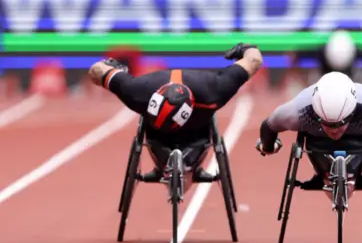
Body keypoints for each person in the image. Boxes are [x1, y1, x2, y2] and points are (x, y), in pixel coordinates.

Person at [87, 43, 263, 191]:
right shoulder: (137, 92)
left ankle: (189, 161)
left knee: (198, 132)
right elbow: (96, 70)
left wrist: (244, 48)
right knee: (157, 135)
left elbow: (253, 59)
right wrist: (110, 66)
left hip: (197, 126)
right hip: (156, 130)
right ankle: (164, 159)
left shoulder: (213, 91)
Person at [284, 29, 362, 92]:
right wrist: (303, 82)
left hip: (353, 82)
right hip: (320, 82)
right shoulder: (321, 51)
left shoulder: (355, 52)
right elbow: (292, 55)